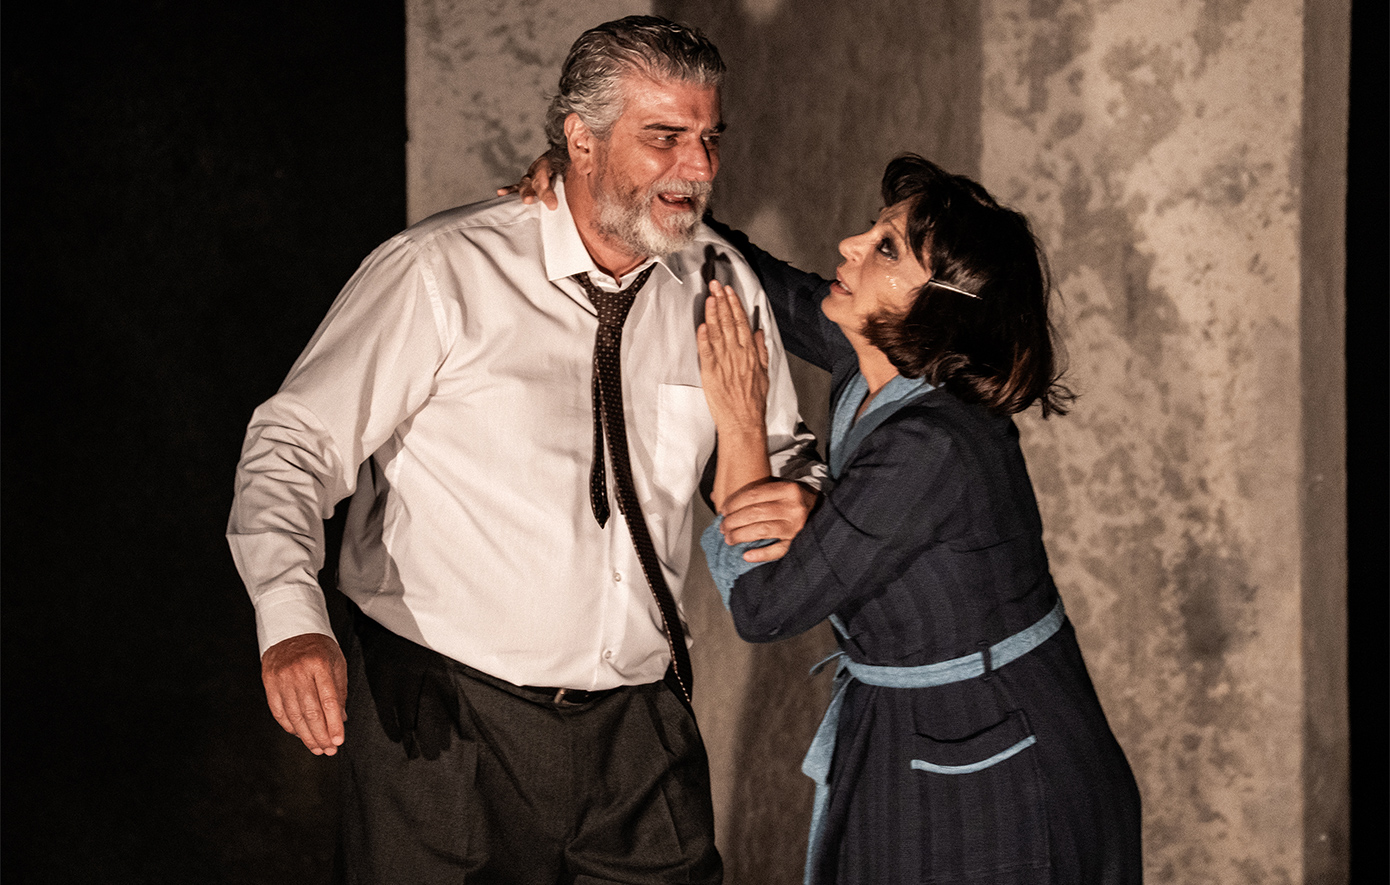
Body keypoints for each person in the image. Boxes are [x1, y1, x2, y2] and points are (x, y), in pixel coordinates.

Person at [226, 15, 826, 884]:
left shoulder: (721, 282)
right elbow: (291, 445)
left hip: (640, 734)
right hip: (445, 727)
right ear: (581, 140)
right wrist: (289, 618)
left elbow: (783, 454)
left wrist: (803, 495)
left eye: (709, 138)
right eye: (665, 138)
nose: (699, 168)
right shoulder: (440, 273)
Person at [692, 154, 1144, 883]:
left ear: (937, 308)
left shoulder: (933, 445)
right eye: (874, 231)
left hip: (1000, 754)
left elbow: (766, 607)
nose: (849, 245)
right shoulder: (872, 356)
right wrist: (627, 195)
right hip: (911, 721)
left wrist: (741, 423)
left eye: (887, 249)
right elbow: (750, 276)